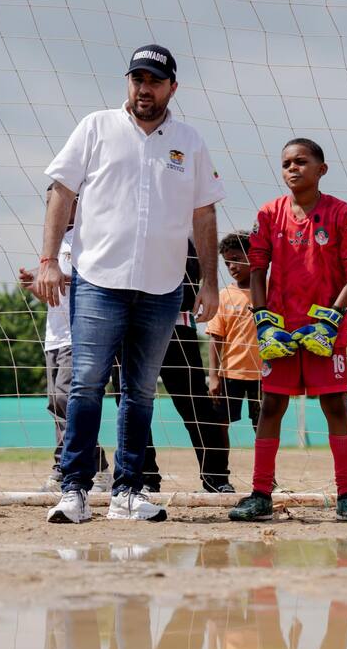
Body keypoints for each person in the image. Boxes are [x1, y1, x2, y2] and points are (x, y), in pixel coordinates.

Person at [37, 44, 225, 524]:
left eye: (155, 81)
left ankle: (128, 491)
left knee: (140, 393)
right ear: (128, 83)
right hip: (98, 282)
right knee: (85, 387)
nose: (145, 88)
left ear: (172, 88)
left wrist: (209, 283)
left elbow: (204, 213)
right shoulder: (95, 126)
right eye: (137, 79)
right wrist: (48, 261)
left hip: (162, 290)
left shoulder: (190, 142)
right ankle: (74, 489)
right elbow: (61, 191)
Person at [227, 138, 347, 523]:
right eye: (287, 162)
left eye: (302, 161)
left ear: (321, 169)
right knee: (271, 406)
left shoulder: (341, 214)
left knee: (335, 406)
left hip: (325, 329)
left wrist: (331, 318)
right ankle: (260, 494)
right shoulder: (269, 213)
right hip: (281, 330)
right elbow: (257, 268)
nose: (293, 168)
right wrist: (261, 318)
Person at [19, 186, 111, 493]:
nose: (52, 207)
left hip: (81, 333)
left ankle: (95, 468)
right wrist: (35, 286)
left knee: (66, 399)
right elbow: (55, 296)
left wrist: (70, 278)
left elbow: (100, 282)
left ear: (77, 204)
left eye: (58, 201)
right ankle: (65, 467)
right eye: (47, 203)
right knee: (55, 403)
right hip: (54, 336)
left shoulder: (90, 238)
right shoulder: (53, 245)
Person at [139, 238, 234, 494]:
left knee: (194, 402)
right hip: (129, 326)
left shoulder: (181, 220)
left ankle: (216, 477)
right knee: (131, 403)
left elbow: (199, 256)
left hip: (176, 324)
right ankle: (143, 478)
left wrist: (204, 284)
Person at [207, 231, 263, 431]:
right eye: (227, 263)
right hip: (230, 374)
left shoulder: (269, 293)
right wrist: (213, 376)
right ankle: (222, 464)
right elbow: (216, 339)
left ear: (252, 256)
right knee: (221, 424)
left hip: (264, 374)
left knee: (264, 425)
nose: (231, 267)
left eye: (236, 259)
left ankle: (263, 464)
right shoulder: (224, 296)